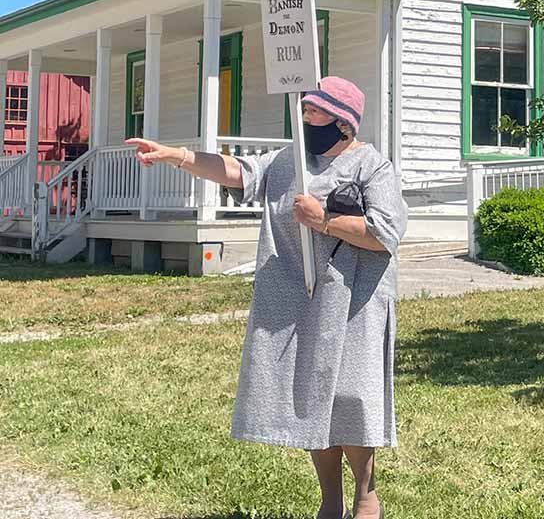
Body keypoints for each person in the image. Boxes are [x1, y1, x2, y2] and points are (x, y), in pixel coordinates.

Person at [127, 76, 407, 519]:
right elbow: (236, 170)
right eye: (306, 108)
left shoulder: (372, 167)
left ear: (343, 122)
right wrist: (176, 156)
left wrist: (325, 220)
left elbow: (386, 233)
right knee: (314, 398)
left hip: (354, 304)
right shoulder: (288, 160)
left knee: (351, 398)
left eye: (315, 111)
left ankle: (366, 494)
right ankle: (329, 499)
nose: (306, 117)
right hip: (300, 300)